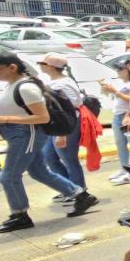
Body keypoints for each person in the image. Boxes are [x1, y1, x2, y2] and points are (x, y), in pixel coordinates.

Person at [0, 51, 98, 233]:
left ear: (12, 68)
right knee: (38, 172)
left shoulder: (26, 88)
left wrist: (3, 119)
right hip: (20, 134)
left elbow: (42, 117)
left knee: (9, 176)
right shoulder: (11, 84)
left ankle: (19, 215)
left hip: (27, 134)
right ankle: (80, 195)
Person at [36, 53, 87, 191]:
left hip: (65, 127)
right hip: (55, 126)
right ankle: (68, 188)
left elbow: (70, 107)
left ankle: (80, 191)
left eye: (42, 63)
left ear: (50, 67)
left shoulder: (63, 84)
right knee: (49, 157)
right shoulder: (53, 82)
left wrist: (62, 133)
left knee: (69, 160)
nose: (39, 65)